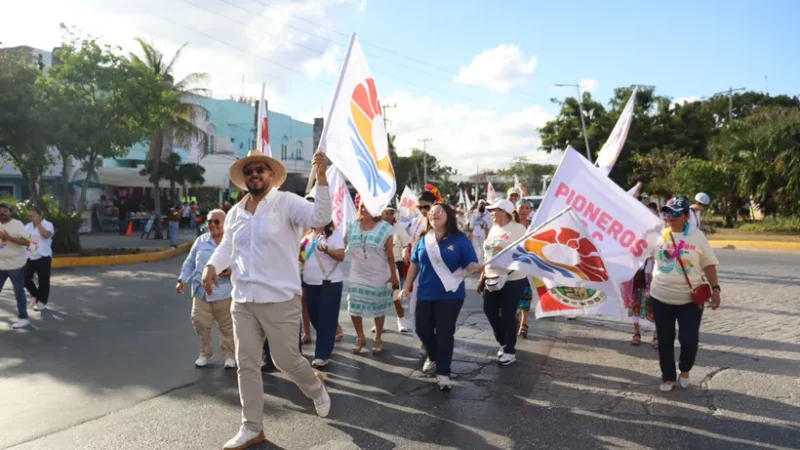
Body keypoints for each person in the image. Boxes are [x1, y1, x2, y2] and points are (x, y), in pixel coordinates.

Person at [201, 149, 332, 450]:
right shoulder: (235, 212)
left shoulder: (286, 203)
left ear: (271, 174)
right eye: (249, 171)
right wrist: (211, 266)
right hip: (243, 300)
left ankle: (315, 386)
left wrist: (321, 176)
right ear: (244, 178)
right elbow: (226, 250)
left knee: (284, 360)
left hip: (280, 298)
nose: (255, 174)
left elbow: (320, 217)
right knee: (247, 364)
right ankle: (252, 427)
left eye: (260, 169)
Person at [403, 202, 482, 390]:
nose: (433, 214)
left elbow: (470, 265)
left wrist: (477, 268)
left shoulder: (460, 240)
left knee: (445, 333)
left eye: (438, 211)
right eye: (431, 212)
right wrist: (406, 287)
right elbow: (414, 264)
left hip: (450, 295)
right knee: (422, 329)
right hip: (425, 293)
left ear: (449, 215)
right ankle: (434, 357)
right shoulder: (423, 239)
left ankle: (443, 372)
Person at [651, 197, 721, 392]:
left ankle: (685, 369)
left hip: (689, 300)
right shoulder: (657, 235)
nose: (669, 217)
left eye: (674, 213)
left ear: (685, 215)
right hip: (660, 297)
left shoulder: (697, 237)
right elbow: (637, 254)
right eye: (667, 212)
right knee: (664, 339)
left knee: (689, 339)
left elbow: (708, 263)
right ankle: (668, 376)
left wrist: (715, 289)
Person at [177, 209, 236, 369]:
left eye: (216, 221)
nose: (212, 224)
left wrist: (230, 271)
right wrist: (182, 279)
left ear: (225, 223)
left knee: (227, 326)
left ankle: (230, 356)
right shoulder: (201, 241)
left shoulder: (233, 242)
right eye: (209, 221)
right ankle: (205, 353)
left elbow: (242, 263)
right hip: (201, 292)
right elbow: (190, 262)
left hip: (224, 292)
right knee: (200, 323)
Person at [478, 199, 528, 365]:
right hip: (492, 277)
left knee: (507, 314)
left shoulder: (518, 228)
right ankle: (503, 341)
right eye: (490, 211)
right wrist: (482, 277)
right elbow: (487, 255)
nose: (491, 213)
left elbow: (525, 252)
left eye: (494, 210)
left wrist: (508, 254)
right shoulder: (493, 229)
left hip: (513, 278)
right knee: (489, 310)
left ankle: (509, 351)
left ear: (505, 212)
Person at [345, 203, 399, 354]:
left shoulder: (385, 228)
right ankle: (360, 337)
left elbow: (389, 253)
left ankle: (378, 338)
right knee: (353, 305)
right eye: (362, 207)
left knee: (378, 307)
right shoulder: (352, 225)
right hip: (357, 272)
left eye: (367, 206)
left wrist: (393, 275)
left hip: (378, 273)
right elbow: (342, 244)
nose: (364, 209)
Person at [301, 221, 345, 368]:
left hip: (329, 283)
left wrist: (327, 251)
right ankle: (328, 337)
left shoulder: (334, 235)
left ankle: (322, 354)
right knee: (315, 316)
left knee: (326, 317)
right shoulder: (307, 236)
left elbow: (341, 255)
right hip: (310, 283)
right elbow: (302, 257)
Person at [627, 202, 659, 348]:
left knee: (656, 303)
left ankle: (657, 335)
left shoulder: (663, 233)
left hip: (655, 272)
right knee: (635, 302)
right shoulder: (635, 231)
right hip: (637, 272)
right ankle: (636, 332)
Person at [0, 202, 31, 329]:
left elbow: (27, 242)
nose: (2, 213)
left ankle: (23, 318)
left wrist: (8, 237)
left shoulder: (17, 224)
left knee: (19, 293)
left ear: (10, 212)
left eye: (5, 210)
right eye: (0, 210)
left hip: (15, 266)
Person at [383, 206, 410, 332]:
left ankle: (401, 319)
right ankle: (380, 322)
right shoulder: (376, 227)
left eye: (391, 213)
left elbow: (405, 244)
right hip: (380, 263)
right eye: (386, 213)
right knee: (380, 295)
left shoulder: (398, 227)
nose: (389, 216)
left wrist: (405, 252)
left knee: (395, 294)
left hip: (396, 262)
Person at [24, 206, 55, 312]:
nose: (31, 218)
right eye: (29, 216)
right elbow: (23, 239)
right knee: (24, 278)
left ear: (40, 215)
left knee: (43, 280)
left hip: (43, 256)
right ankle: (35, 295)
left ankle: (41, 302)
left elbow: (46, 235)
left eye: (33, 216)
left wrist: (38, 224)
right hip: (30, 255)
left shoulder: (48, 225)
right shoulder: (28, 226)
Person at [514, 199, 534, 338]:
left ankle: (524, 324)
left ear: (530, 210)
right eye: (521, 207)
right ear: (516, 209)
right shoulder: (510, 225)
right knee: (512, 294)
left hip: (529, 265)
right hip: (512, 265)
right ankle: (514, 317)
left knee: (526, 295)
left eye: (527, 208)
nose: (524, 210)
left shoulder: (534, 224)